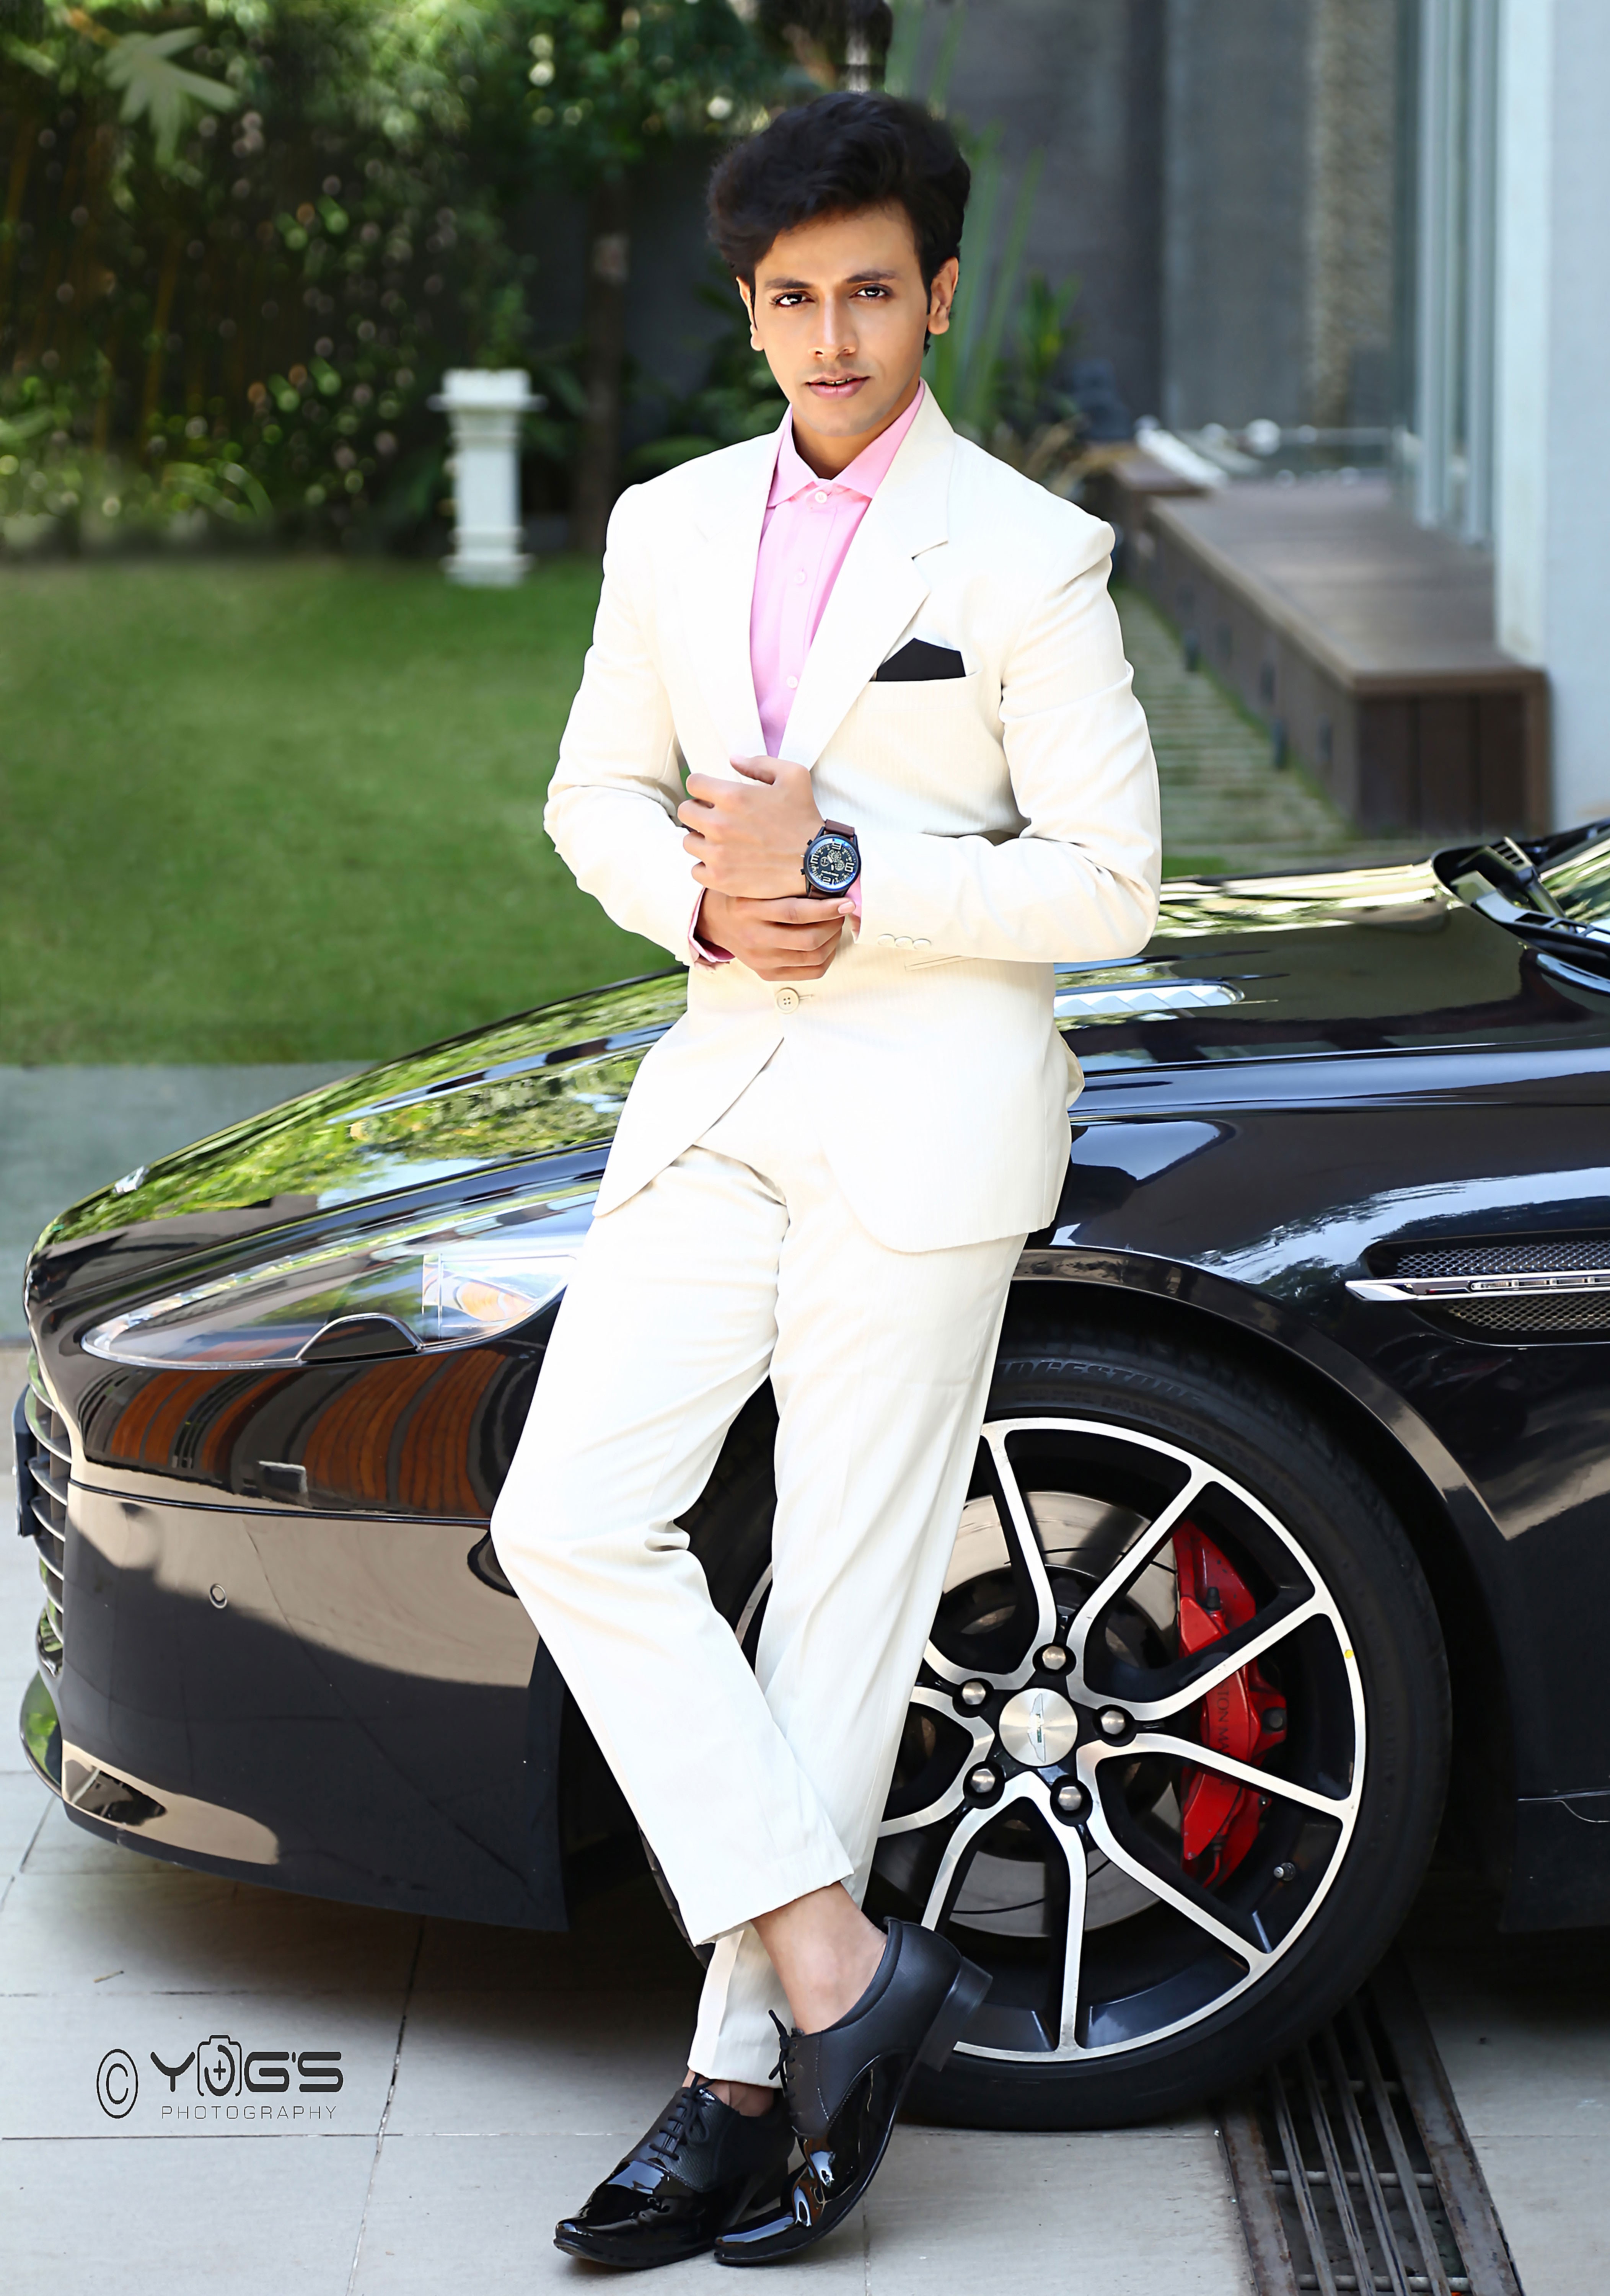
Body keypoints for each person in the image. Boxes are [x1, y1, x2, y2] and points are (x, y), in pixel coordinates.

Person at [489, 88, 1161, 2272]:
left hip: (931, 1109)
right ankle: (844, 1971)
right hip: (723, 1087)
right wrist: (706, 904)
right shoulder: (670, 525)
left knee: (842, 1612)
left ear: (938, 294)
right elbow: (597, 794)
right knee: (571, 1515)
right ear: (754, 308)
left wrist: (850, 866)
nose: (833, 337)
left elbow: (1114, 884)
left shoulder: (1032, 555)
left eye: (872, 292)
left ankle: (732, 2092)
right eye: (793, 299)